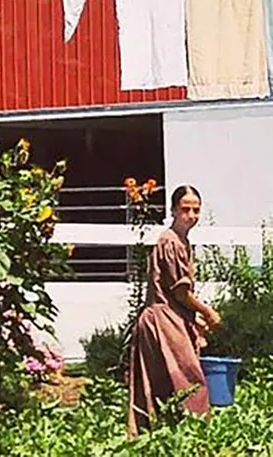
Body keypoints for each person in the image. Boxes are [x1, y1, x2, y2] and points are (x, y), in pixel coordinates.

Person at [127, 185, 222, 436]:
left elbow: (176, 295)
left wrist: (194, 321)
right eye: (185, 209)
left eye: (196, 210)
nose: (191, 215)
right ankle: (197, 437)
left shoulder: (181, 241)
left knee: (163, 384)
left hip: (166, 317)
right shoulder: (170, 242)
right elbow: (180, 292)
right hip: (162, 320)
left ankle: (161, 439)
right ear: (173, 210)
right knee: (192, 382)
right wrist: (207, 312)